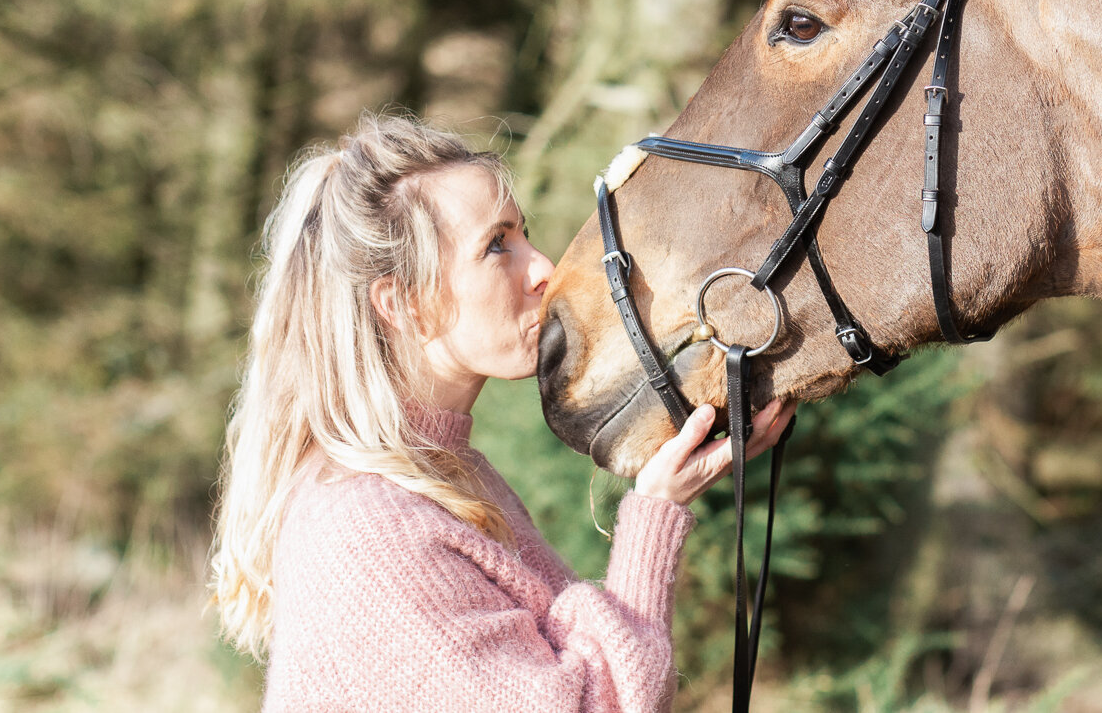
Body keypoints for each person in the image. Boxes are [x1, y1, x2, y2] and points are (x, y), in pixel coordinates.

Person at [209, 112, 793, 712]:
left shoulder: (441, 475)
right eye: (497, 246)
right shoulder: (368, 525)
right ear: (403, 303)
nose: (543, 269)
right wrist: (654, 513)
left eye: (523, 235)